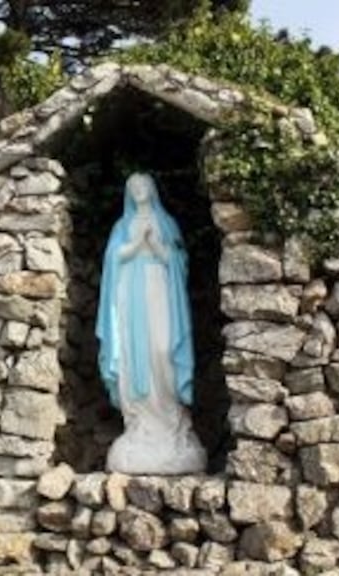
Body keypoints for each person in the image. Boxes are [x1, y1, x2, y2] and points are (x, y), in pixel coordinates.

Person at [95, 172, 206, 474]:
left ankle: (171, 421)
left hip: (160, 294)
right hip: (130, 297)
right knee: (133, 357)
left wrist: (156, 245)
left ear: (152, 189)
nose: (139, 190)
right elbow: (112, 262)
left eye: (143, 185)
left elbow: (179, 262)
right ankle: (139, 426)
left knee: (161, 351)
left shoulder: (166, 222)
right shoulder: (121, 226)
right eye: (133, 187)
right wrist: (134, 244)